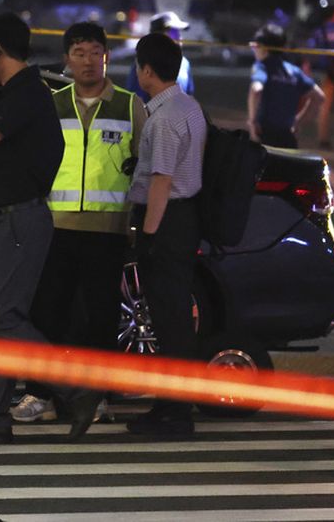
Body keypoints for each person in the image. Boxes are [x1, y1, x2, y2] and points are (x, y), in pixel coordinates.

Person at [0, 12, 103, 443]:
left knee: (2, 320)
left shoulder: (25, 92)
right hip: (9, 220)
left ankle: (77, 388)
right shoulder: (20, 92)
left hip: (17, 220)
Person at [13, 22, 147, 423]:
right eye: (79, 52)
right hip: (56, 228)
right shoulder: (53, 106)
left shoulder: (129, 105)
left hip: (107, 231)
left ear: (106, 56)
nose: (88, 61)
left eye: (95, 52)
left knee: (100, 318)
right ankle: (40, 395)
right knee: (47, 314)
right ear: (67, 59)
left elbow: (144, 167)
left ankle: (97, 396)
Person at [125, 33, 207, 437]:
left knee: (170, 319)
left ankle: (175, 413)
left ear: (146, 70)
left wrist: (150, 233)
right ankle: (171, 406)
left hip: (167, 220)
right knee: (174, 317)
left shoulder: (164, 117)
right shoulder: (188, 106)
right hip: (183, 217)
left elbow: (161, 180)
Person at [248, 23, 324, 148]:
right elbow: (319, 97)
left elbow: (256, 90)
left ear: (263, 48)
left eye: (255, 46)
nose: (254, 49)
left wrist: (252, 121)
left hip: (265, 135)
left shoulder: (262, 67)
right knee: (287, 166)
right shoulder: (294, 71)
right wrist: (298, 121)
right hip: (288, 136)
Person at [302, 5, 334, 149]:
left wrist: (306, 68)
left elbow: (310, 52)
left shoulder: (319, 32)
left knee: (324, 108)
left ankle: (323, 140)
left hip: (326, 73)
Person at [126, 12, 194, 102]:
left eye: (178, 32)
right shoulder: (142, 63)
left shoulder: (184, 63)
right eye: (173, 32)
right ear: (157, 36)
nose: (179, 37)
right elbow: (136, 101)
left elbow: (189, 96)